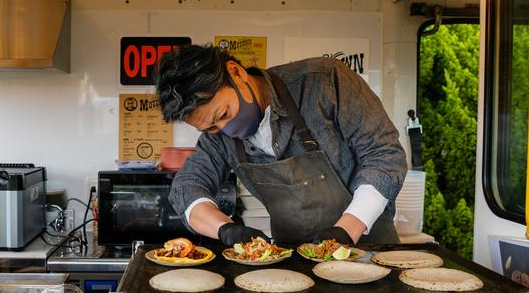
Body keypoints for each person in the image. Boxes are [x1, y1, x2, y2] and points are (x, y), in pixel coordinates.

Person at [155, 44, 407, 247]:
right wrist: (225, 229)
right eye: (209, 128)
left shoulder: (323, 82)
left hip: (368, 251)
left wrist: (348, 228)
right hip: (293, 264)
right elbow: (187, 186)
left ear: (237, 73)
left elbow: (384, 155)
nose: (223, 130)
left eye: (222, 115)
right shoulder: (218, 138)